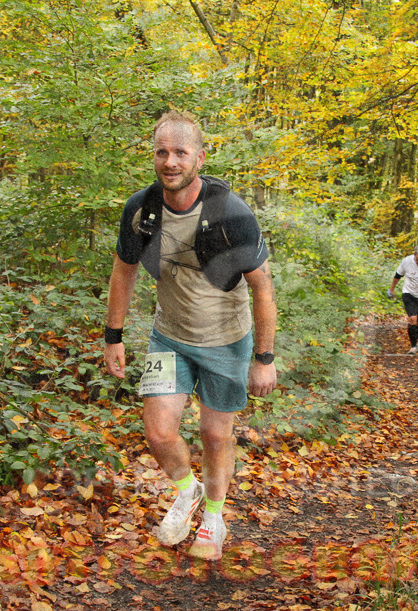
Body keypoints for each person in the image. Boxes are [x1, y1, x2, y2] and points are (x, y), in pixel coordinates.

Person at [103, 111, 277, 561]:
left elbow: (262, 286)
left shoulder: (230, 214)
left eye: (180, 152)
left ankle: (215, 519)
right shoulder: (141, 210)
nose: (170, 161)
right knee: (159, 432)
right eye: (162, 152)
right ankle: (188, 491)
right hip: (169, 337)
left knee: (215, 436)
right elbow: (124, 272)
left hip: (226, 341)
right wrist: (113, 335)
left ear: (199, 157)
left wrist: (264, 357)